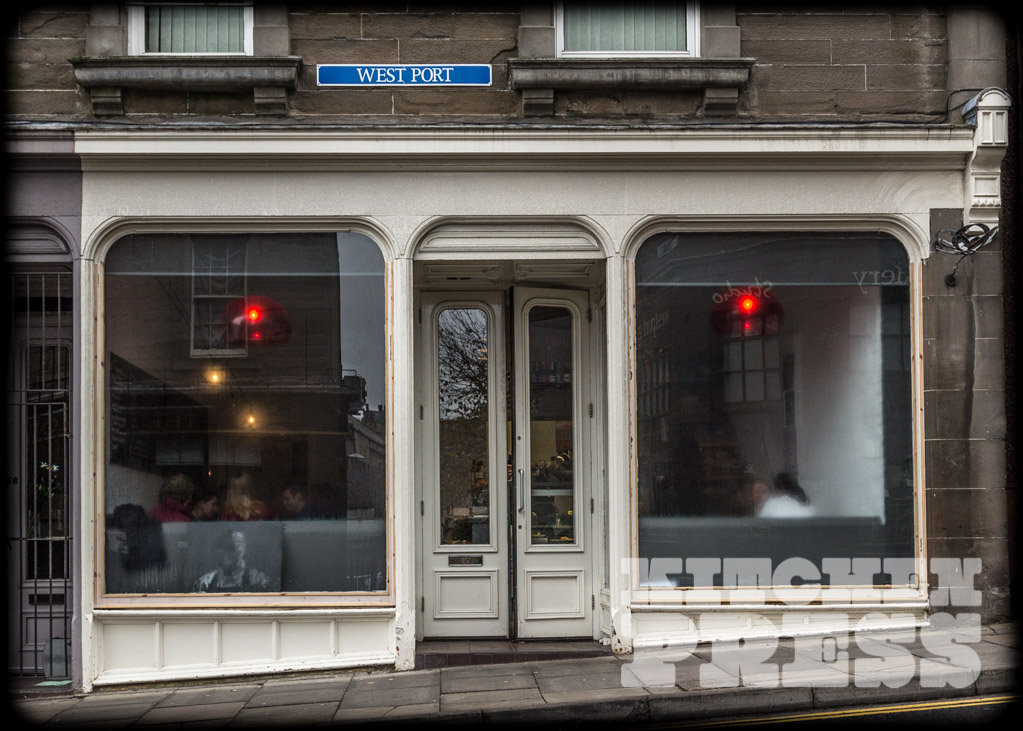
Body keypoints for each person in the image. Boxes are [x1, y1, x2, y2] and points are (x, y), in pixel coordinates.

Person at [192, 529, 272, 592]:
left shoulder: (259, 581)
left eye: (235, 547)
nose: (229, 552)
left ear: (244, 549)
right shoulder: (204, 583)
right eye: (226, 547)